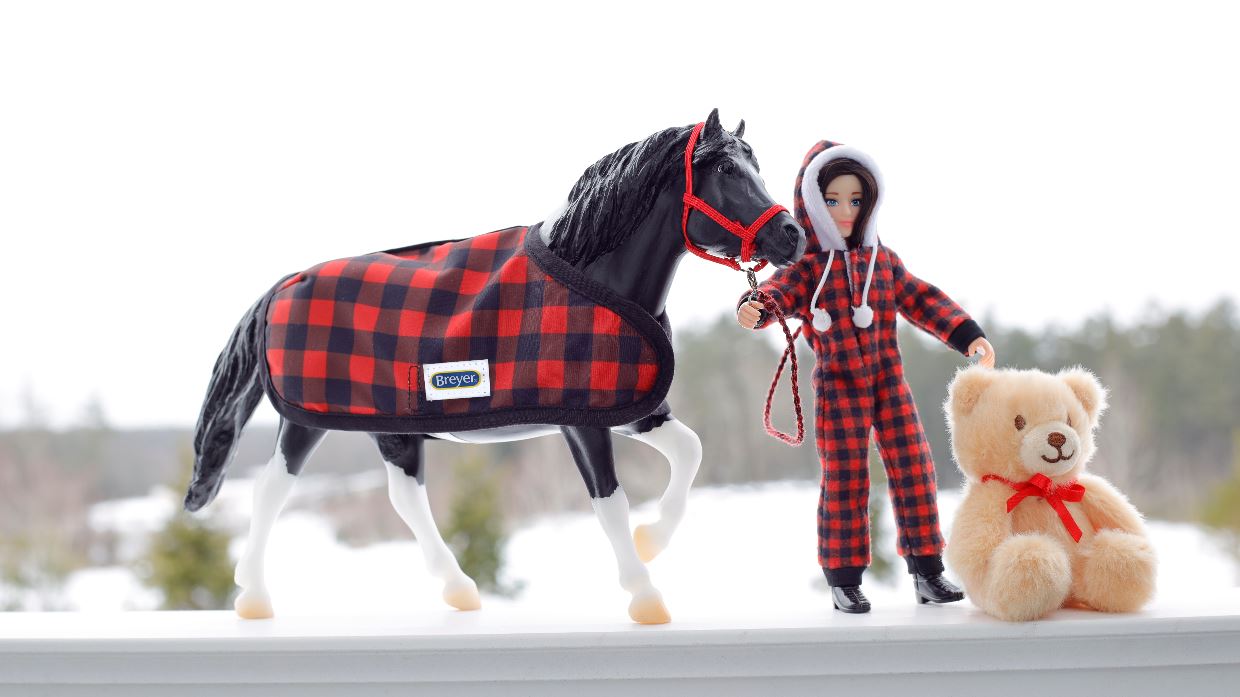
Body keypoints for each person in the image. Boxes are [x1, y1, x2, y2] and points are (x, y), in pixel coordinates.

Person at [737, 141, 995, 613]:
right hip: (838, 387)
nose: (845, 210)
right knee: (845, 479)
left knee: (915, 467)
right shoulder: (806, 267)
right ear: (813, 205)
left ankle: (928, 570)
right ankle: (843, 578)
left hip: (888, 381)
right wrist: (756, 308)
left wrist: (966, 335)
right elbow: (776, 293)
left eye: (856, 200)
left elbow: (922, 299)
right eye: (832, 200)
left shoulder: (885, 261)